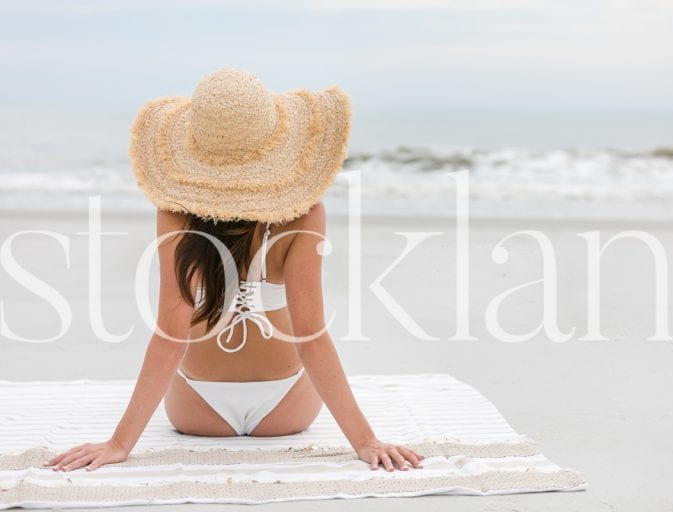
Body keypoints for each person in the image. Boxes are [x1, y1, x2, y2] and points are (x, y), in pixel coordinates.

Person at [45, 68, 423, 473]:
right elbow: (311, 339)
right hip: (285, 411)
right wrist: (366, 442)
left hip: (198, 410)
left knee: (177, 365)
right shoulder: (304, 214)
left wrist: (119, 444)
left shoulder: (176, 214)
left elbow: (170, 336)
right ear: (274, 141)